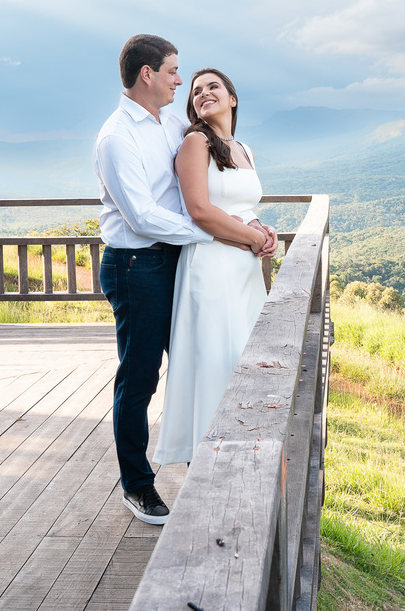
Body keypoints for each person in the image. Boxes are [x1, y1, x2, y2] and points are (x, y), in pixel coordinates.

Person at [94, 36, 272, 526]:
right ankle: (137, 485)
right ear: (148, 74)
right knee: (140, 376)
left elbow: (214, 183)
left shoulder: (170, 124)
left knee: (201, 359)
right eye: (174, 71)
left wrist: (242, 225)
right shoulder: (116, 138)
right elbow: (145, 216)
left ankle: (207, 466)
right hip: (137, 266)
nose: (180, 80)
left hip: (182, 257)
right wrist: (223, 232)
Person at [153, 68, 272, 465]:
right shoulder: (195, 143)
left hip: (244, 271)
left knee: (243, 358)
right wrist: (253, 239)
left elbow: (240, 204)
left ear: (232, 98)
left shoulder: (244, 148)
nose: (204, 93)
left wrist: (258, 226)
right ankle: (210, 462)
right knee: (216, 359)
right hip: (211, 265)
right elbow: (200, 211)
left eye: (213, 86)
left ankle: (245, 452)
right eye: (196, 90)